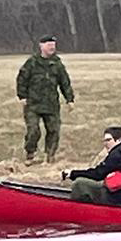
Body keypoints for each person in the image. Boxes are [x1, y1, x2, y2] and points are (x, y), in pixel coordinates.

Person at [16, 34, 74, 165]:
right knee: (33, 131)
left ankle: (50, 156)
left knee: (54, 131)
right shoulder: (32, 62)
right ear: (41, 46)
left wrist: (69, 99)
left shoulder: (57, 64)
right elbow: (22, 79)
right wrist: (22, 96)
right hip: (33, 104)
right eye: (49, 45)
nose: (51, 48)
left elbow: (65, 82)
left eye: (53, 46)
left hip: (51, 104)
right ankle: (30, 154)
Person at [62, 127, 121, 206]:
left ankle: (80, 210)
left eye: (108, 140)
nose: (105, 143)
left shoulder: (117, 154)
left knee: (80, 184)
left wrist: (73, 174)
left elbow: (98, 174)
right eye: (104, 141)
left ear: (119, 140)